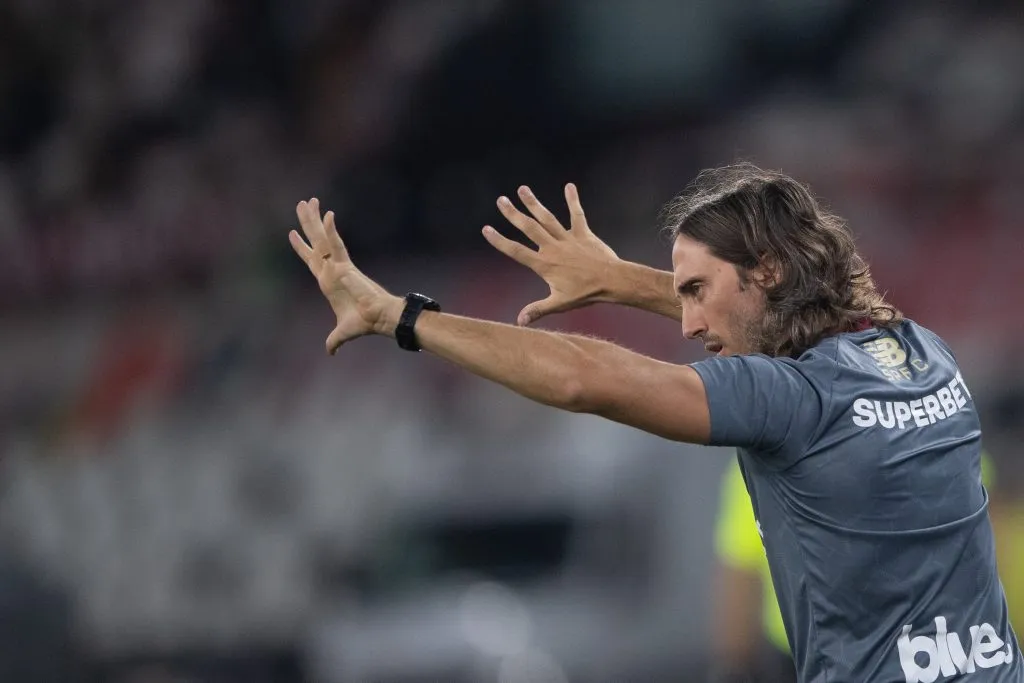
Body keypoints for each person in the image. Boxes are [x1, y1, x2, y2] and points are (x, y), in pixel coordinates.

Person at [288, 163, 1023, 682]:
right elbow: (802, 318)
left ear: (766, 269)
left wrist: (402, 316)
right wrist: (622, 282)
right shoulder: (927, 354)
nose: (688, 320)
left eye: (697, 291)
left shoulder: (789, 400)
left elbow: (585, 379)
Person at [710, 452, 1002, 683]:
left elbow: (741, 573)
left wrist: (736, 666)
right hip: (926, 651)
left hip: (813, 655)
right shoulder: (943, 443)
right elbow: (981, 566)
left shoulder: (768, 464)